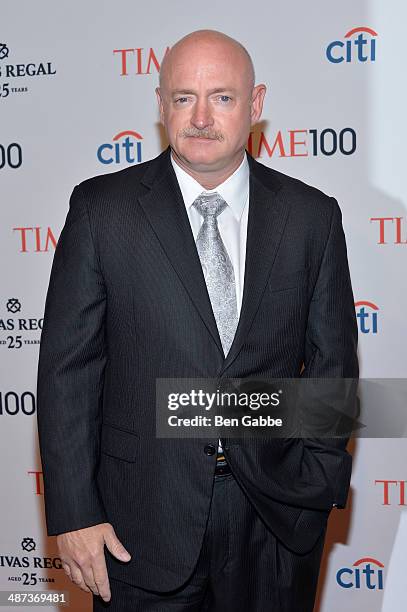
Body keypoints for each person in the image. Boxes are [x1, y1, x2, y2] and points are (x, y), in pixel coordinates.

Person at [36, 29, 359, 611]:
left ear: (256, 105)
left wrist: (319, 481)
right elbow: (68, 371)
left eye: (223, 98)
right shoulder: (102, 211)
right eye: (184, 97)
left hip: (277, 522)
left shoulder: (312, 217)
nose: (202, 116)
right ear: (161, 106)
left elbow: (333, 363)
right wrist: (76, 514)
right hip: (139, 526)